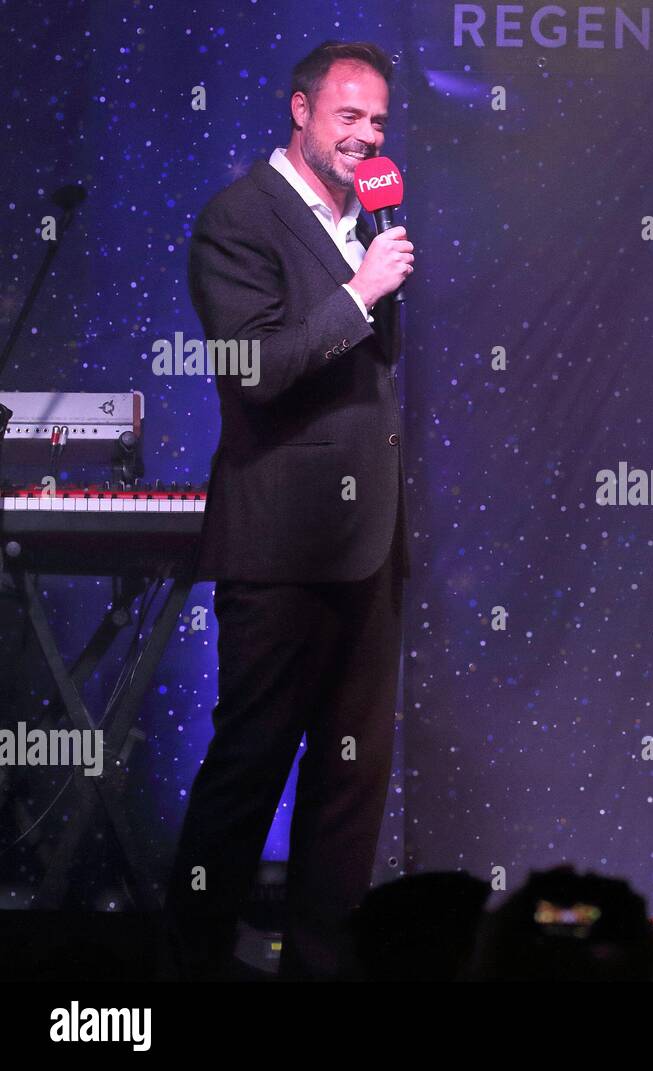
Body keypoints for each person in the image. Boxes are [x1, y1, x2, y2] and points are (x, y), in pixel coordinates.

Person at [161, 40, 414, 981]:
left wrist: (367, 274)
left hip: (369, 544)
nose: (366, 136)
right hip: (279, 543)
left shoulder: (369, 214)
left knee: (352, 779)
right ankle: (188, 965)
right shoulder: (239, 218)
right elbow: (253, 368)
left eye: (379, 121)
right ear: (300, 112)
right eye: (348, 117)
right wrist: (360, 288)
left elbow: (367, 373)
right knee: (248, 770)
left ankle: (319, 964)